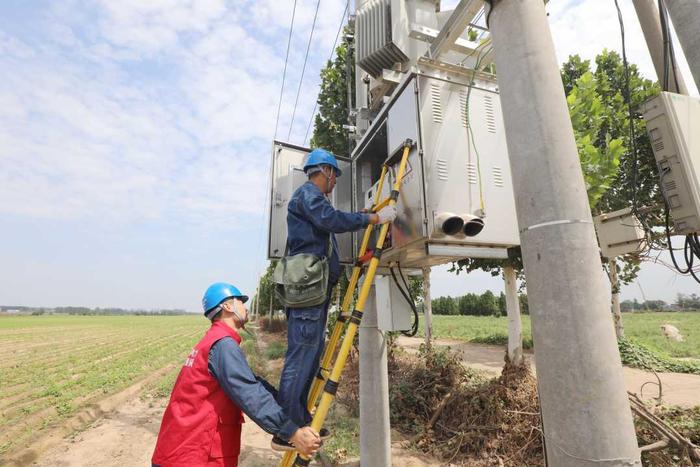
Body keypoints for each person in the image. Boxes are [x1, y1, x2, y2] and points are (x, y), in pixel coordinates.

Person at [273, 148, 397, 450]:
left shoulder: (310, 198)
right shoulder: (308, 195)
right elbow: (331, 219)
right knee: (301, 356)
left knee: (310, 355)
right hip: (307, 292)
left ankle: (299, 419)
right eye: (334, 176)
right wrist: (375, 217)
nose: (334, 183)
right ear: (325, 171)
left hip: (313, 291)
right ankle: (285, 430)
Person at [152, 282, 321, 467]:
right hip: (193, 455)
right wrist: (292, 433)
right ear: (227, 306)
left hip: (183, 452)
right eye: (240, 301)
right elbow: (249, 393)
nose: (245, 306)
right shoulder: (223, 345)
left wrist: (286, 406)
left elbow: (251, 382)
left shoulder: (216, 341)